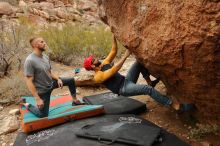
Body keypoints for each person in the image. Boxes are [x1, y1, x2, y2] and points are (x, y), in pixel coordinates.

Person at [83, 35, 192, 112]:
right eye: (93, 60)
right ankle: (174, 105)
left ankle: (150, 82)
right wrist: (125, 56)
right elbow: (114, 70)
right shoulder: (98, 77)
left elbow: (113, 51)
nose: (95, 59)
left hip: (126, 80)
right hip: (123, 89)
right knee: (147, 90)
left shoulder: (104, 63)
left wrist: (113, 36)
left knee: (139, 63)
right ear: (92, 66)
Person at [22, 37, 82, 118]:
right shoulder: (30, 61)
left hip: (52, 83)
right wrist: (37, 99)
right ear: (35, 45)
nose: (44, 43)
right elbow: (29, 81)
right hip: (43, 90)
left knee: (71, 80)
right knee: (42, 115)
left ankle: (75, 101)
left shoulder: (45, 57)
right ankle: (27, 104)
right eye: (42, 42)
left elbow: (49, 72)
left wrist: (58, 79)